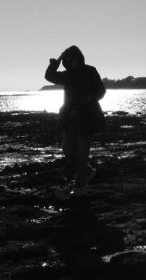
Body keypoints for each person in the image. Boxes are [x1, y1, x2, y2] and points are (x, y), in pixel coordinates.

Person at [45, 45, 106, 191]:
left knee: (81, 156)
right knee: (67, 149)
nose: (70, 60)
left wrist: (90, 97)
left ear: (79, 57)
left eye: (72, 57)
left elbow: (101, 91)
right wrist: (56, 62)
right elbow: (49, 76)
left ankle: (79, 188)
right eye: (67, 58)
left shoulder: (90, 71)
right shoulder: (67, 74)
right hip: (70, 118)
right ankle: (88, 171)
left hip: (87, 117)